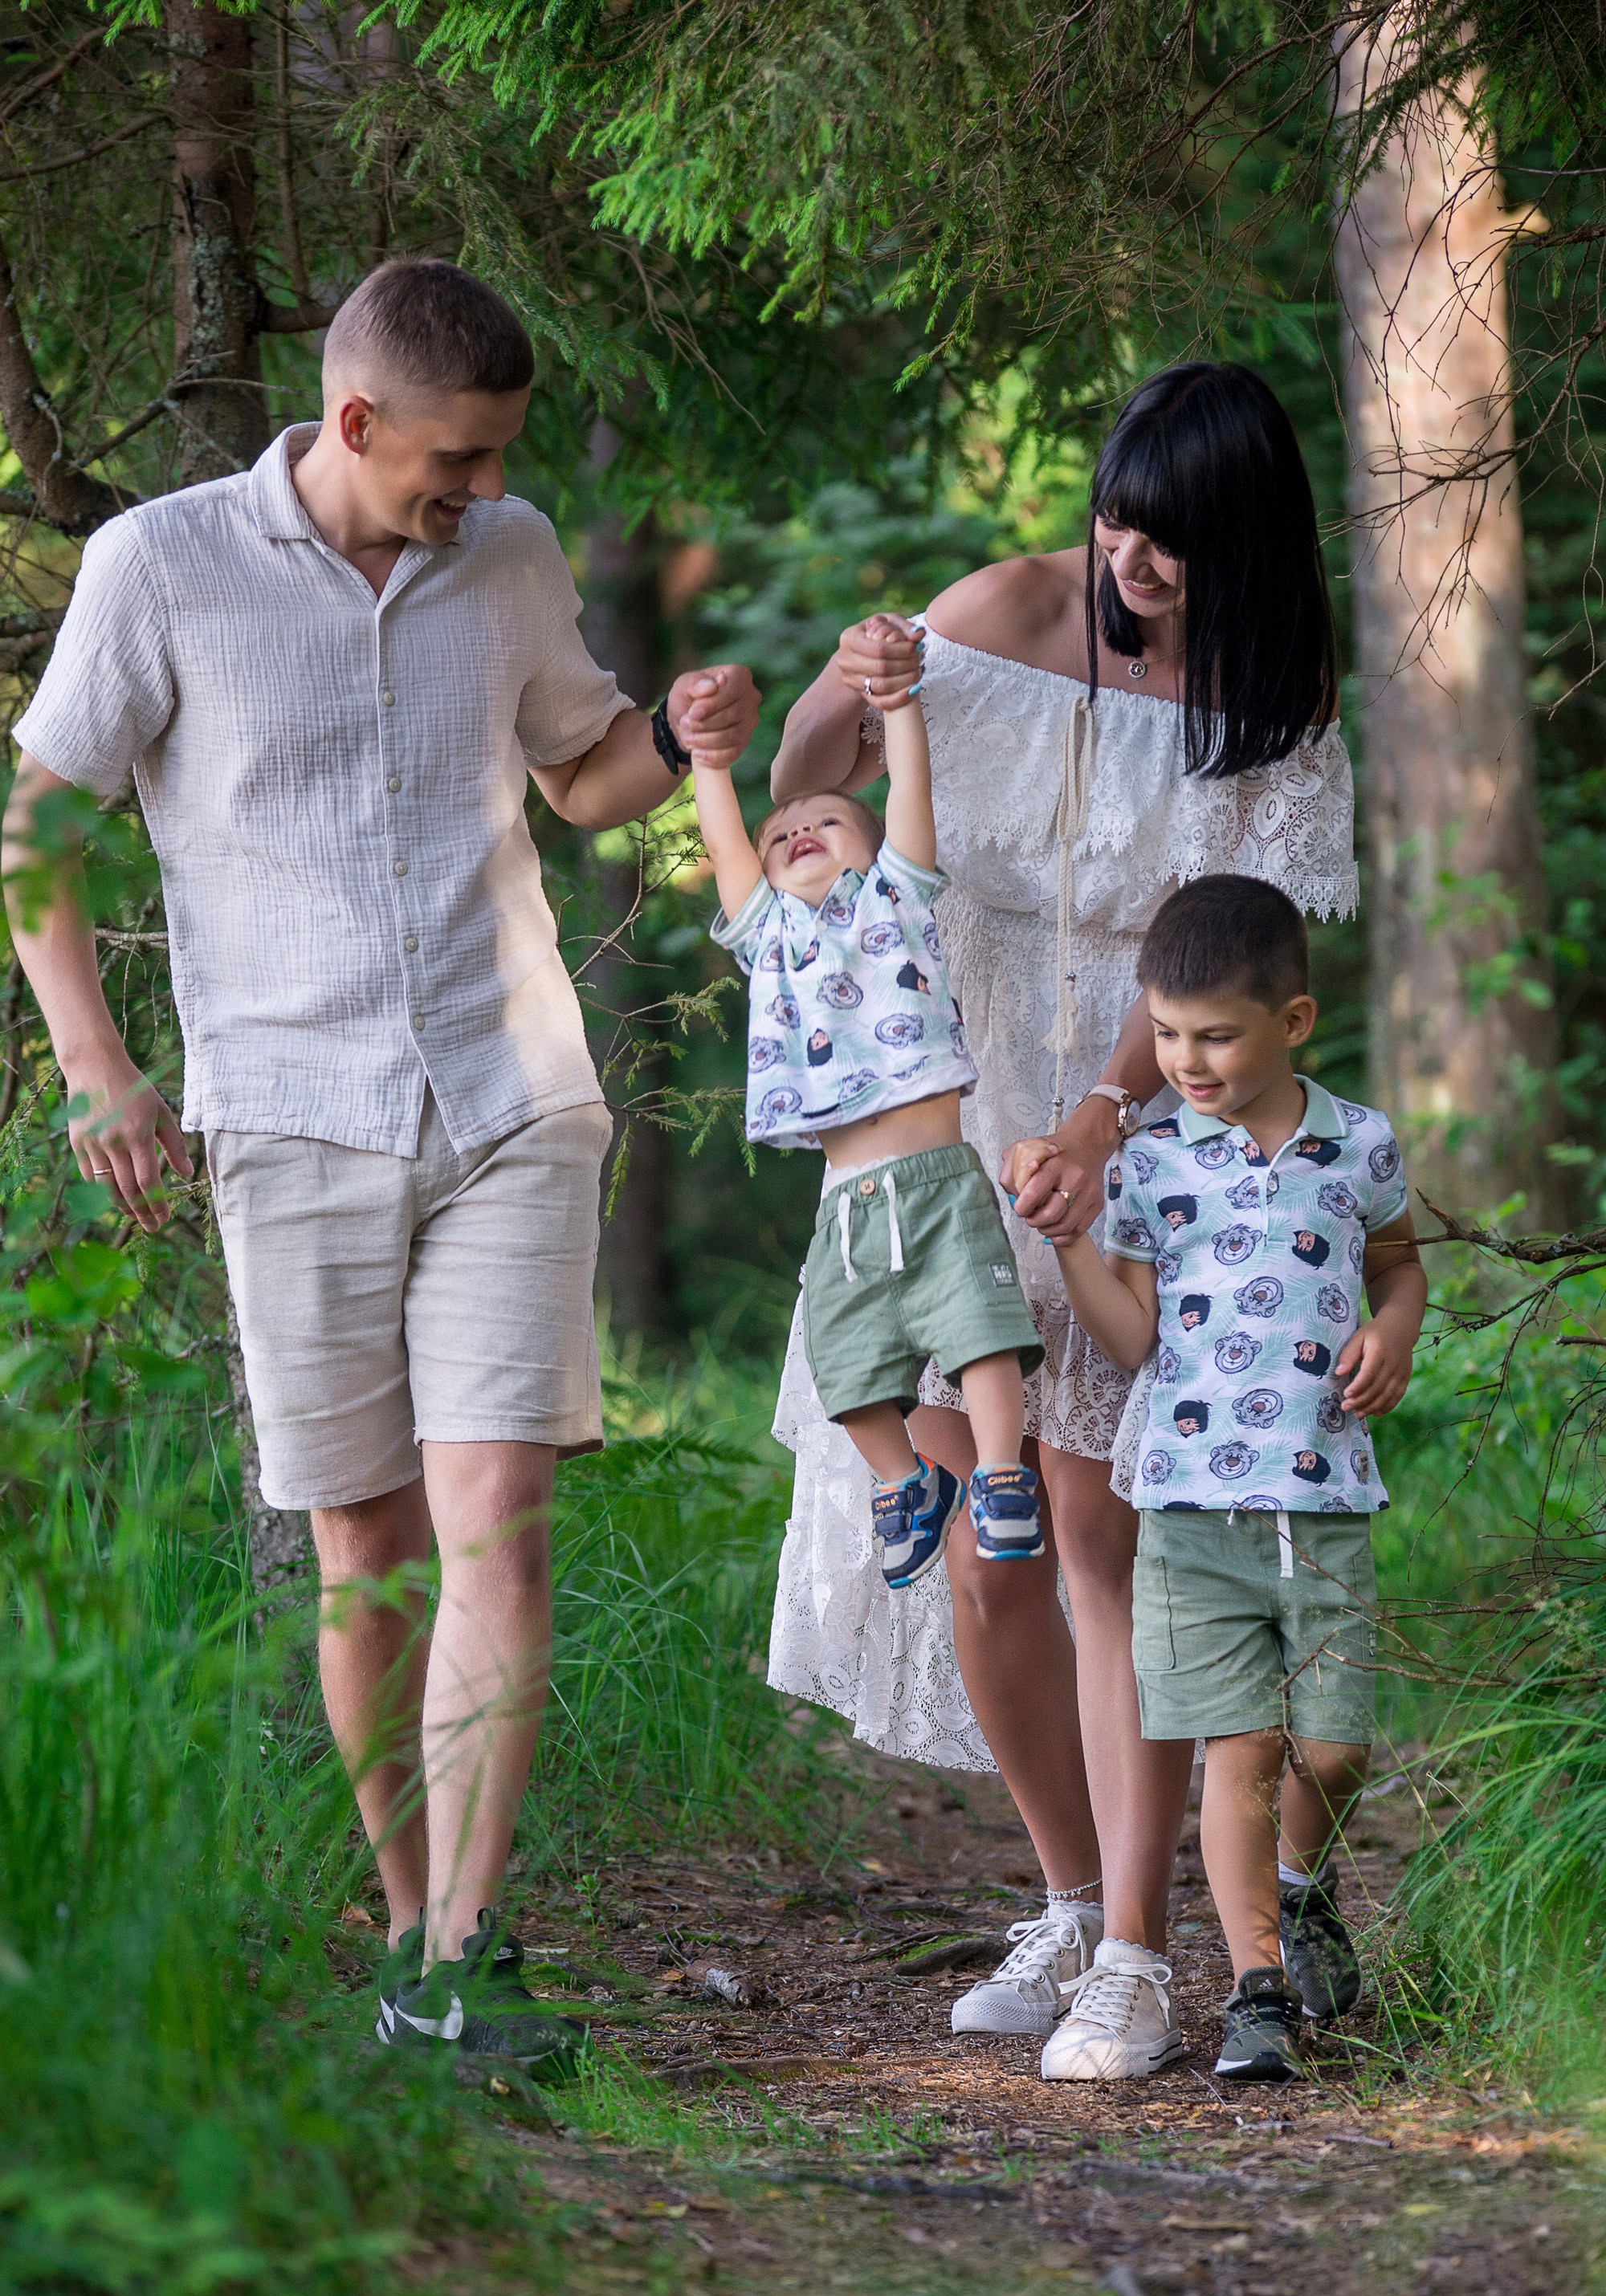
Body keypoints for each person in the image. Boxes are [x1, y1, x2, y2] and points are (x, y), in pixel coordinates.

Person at [1, 258, 760, 2061]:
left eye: (500, 459)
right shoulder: (161, 569)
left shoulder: (509, 555)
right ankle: (409, 1926)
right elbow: (39, 826)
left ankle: (466, 1957)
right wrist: (100, 1070)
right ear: (353, 422)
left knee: (500, 1523)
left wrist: (680, 737)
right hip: (292, 1108)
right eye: (456, 459)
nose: (483, 490)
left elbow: (579, 777)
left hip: (510, 1098)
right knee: (371, 1551)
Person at [767, 362, 1359, 2075]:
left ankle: (1138, 1955)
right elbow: (820, 785)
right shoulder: (998, 611)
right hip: (942, 1113)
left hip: (1139, 1117)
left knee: (1099, 1536)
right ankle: (1066, 1889)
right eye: (1116, 524)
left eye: (1169, 546)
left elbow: (1218, 940)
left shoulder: (1271, 686)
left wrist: (1110, 1116)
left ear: (1239, 544)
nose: (1129, 565)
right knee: (975, 1534)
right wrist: (845, 682)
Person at [1004, 874, 1425, 2080]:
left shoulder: (1361, 1143)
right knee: (1239, 1748)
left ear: (1292, 1023)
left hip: (1326, 1496)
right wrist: (1072, 1245)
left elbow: (1399, 1267)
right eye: (1169, 1034)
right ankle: (1257, 1990)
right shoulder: (1151, 1165)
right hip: (1189, 1510)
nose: (1186, 1061)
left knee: (1332, 1752)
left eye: (1217, 1036)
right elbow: (1131, 1341)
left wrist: (1395, 1328)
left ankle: (1304, 1887)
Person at [695, 633, 1046, 1582]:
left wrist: (899, 711)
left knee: (978, 1328)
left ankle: (1002, 1474)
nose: (796, 831)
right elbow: (727, 838)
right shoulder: (766, 935)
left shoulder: (895, 897)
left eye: (825, 823)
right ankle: (908, 1481)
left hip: (936, 1181)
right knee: (840, 1358)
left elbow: (907, 800)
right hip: (844, 1207)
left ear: (873, 847)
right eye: (781, 836)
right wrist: (707, 765)